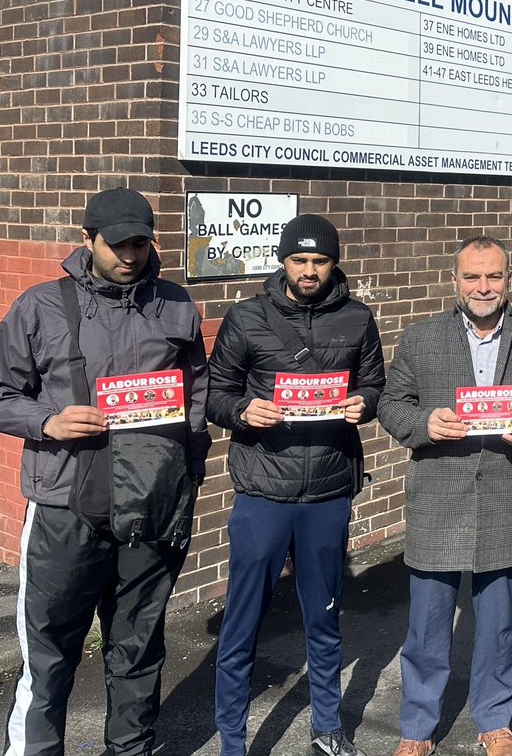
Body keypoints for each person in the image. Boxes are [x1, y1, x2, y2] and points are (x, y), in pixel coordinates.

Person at [0, 187, 210, 756]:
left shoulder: (177, 306)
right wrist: (47, 422)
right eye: (117, 245)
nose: (130, 255)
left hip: (152, 506)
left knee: (138, 650)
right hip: (65, 506)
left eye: (140, 243)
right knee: (51, 652)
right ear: (87, 240)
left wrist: (187, 481)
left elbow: (196, 401)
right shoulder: (40, 307)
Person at [378, 235, 512, 756]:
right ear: (454, 281)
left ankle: (493, 719)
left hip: (506, 490)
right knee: (427, 626)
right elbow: (392, 404)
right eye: (472, 277)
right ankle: (418, 728)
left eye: (494, 276)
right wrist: (423, 422)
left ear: (509, 279)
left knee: (499, 624)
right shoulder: (420, 339)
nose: (483, 287)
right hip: (440, 495)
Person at [208, 214, 386, 756]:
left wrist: (366, 403)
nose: (309, 271)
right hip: (263, 490)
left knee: (325, 617)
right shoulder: (245, 317)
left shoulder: (357, 318)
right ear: (283, 261)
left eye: (320, 261)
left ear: (334, 263)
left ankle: (328, 729)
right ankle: (233, 741)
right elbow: (215, 394)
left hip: (328, 491)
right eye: (300, 260)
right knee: (242, 623)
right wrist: (243, 410)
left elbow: (375, 381)